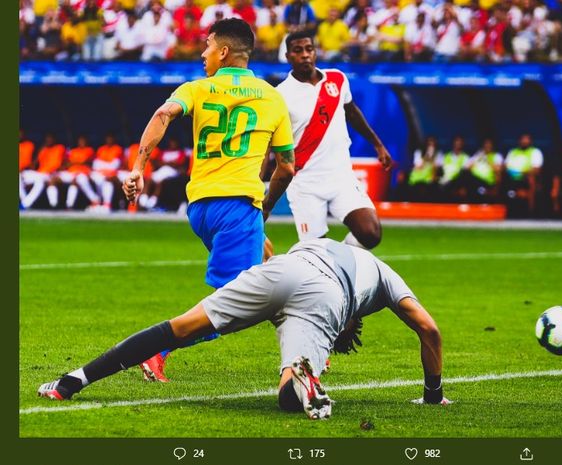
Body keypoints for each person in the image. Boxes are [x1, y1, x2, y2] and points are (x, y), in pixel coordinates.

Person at [38, 238, 449, 420]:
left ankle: (72, 380)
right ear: (351, 324)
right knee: (290, 391)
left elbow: (269, 250)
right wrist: (433, 396)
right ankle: (303, 380)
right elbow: (428, 329)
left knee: (179, 327)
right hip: (328, 295)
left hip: (285, 267)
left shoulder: (324, 240)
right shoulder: (385, 278)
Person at [122, 18, 295, 382]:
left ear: (224, 51)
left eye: (207, 46)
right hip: (237, 207)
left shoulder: (197, 89)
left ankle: (304, 352)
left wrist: (138, 167)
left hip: (200, 208)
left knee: (270, 264)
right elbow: (286, 168)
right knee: (230, 312)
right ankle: (158, 349)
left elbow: (162, 114)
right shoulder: (274, 97)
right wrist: (261, 208)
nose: (203, 53)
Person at [276, 30, 392, 250]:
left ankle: (339, 258)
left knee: (371, 234)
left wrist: (378, 144)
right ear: (288, 56)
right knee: (315, 252)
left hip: (341, 177)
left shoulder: (337, 79)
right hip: (305, 182)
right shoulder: (281, 94)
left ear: (315, 52)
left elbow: (353, 112)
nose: (305, 55)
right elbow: (273, 139)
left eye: (309, 49)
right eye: (298, 51)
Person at [503, 133, 543, 217]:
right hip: (511, 177)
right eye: (523, 139)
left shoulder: (535, 152)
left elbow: (536, 170)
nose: (524, 141)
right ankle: (505, 211)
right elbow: (506, 166)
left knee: (531, 180)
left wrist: (522, 173)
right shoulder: (513, 152)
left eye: (527, 139)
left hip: (526, 177)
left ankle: (530, 212)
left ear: (530, 141)